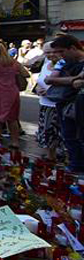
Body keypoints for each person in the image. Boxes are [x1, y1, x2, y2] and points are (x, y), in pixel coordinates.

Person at [44, 35, 84, 173]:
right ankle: (76, 165)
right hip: (66, 104)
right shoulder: (63, 63)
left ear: (72, 48)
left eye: (61, 52)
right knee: (69, 135)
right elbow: (50, 80)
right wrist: (74, 80)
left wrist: (70, 80)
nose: (59, 56)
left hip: (79, 103)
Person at [35, 42, 63, 161]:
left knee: (55, 132)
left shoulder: (65, 65)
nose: (51, 54)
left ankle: (55, 157)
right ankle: (50, 156)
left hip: (57, 104)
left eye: (53, 51)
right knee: (46, 131)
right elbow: (40, 81)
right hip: (45, 104)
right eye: (47, 52)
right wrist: (37, 89)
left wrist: (51, 93)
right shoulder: (46, 63)